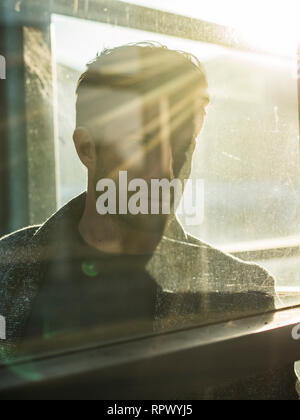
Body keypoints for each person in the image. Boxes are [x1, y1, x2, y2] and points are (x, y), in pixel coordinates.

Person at [0, 43, 295, 398]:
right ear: (87, 150)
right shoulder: (5, 265)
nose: (167, 170)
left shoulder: (244, 292)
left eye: (184, 144)